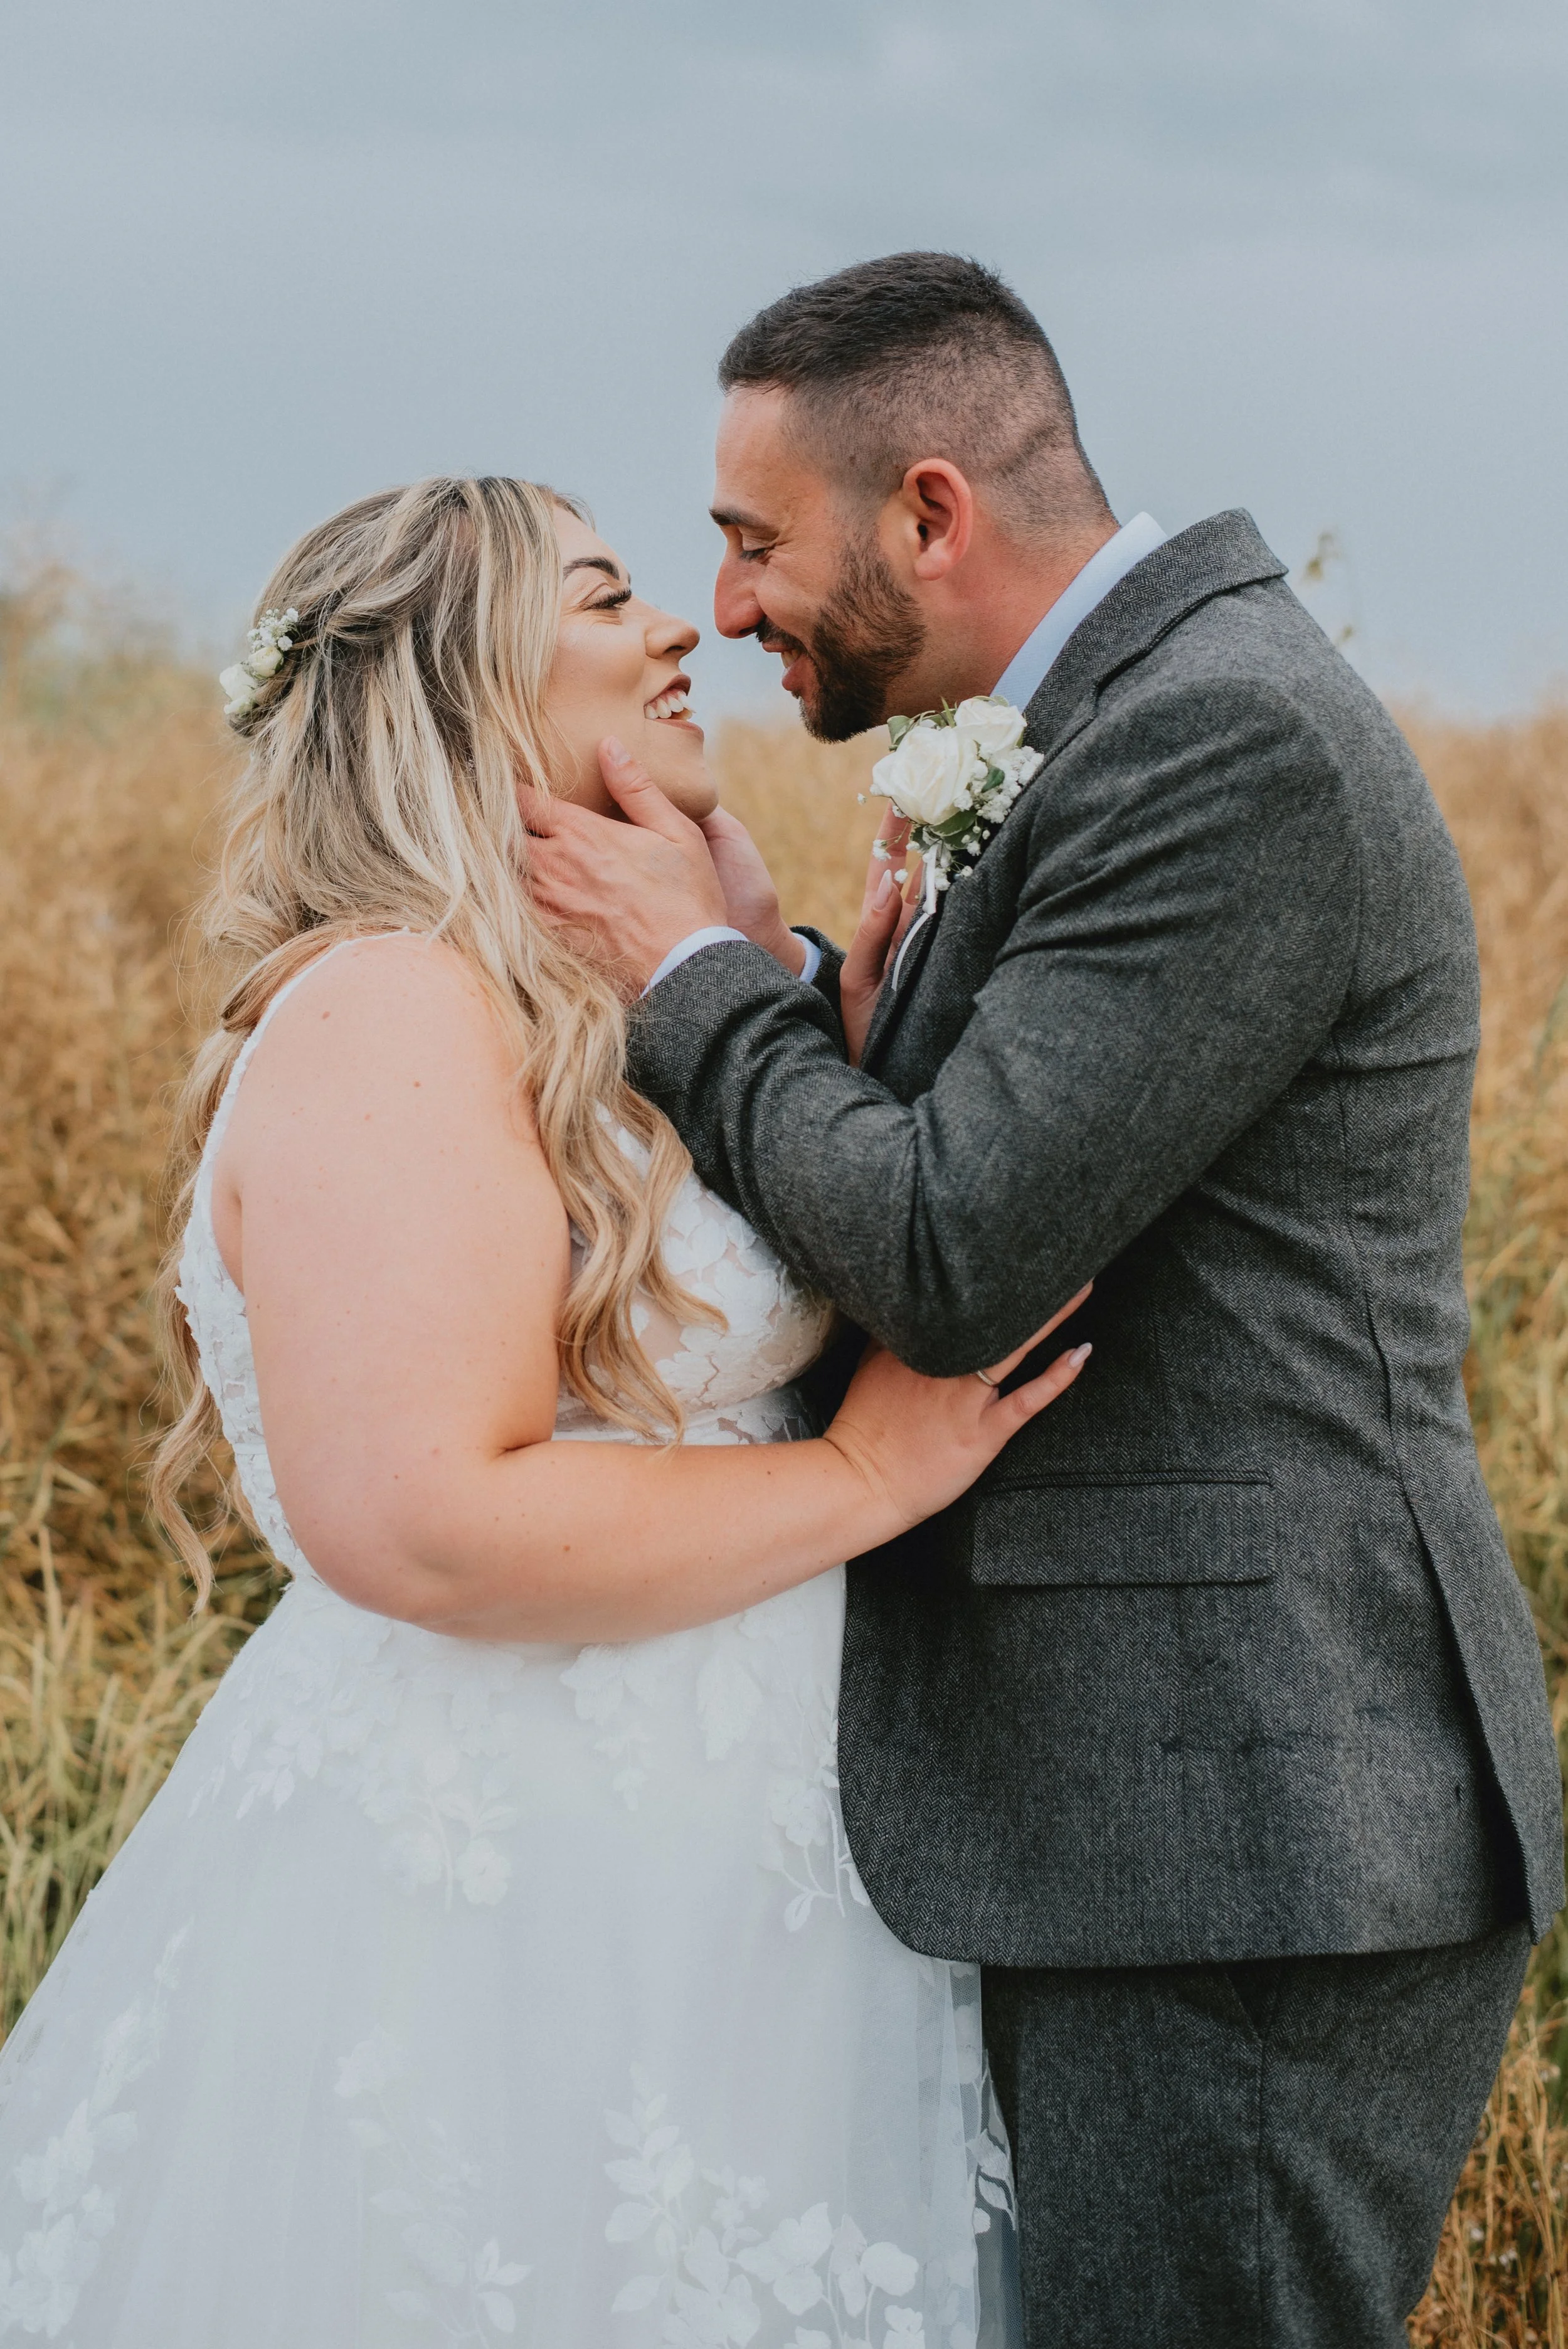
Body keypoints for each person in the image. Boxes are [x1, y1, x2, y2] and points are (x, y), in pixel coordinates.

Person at [524, 253, 1565, 2348]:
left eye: (752, 544)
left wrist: (687, 987)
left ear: (929, 512)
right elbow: (1024, 1140)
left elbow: (957, 1250)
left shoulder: (1223, 746)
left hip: (1244, 1817)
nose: (726, 613)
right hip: (1145, 1804)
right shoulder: (1112, 721)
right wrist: (807, 985)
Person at [0, 475, 1093, 2347]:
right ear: (461, 679)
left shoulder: (595, 1005)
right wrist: (863, 1473)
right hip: (512, 1885)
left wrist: (794, 1003)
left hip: (748, 1873)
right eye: (603, 594)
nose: (681, 626)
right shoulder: (391, 1010)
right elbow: (424, 1516)